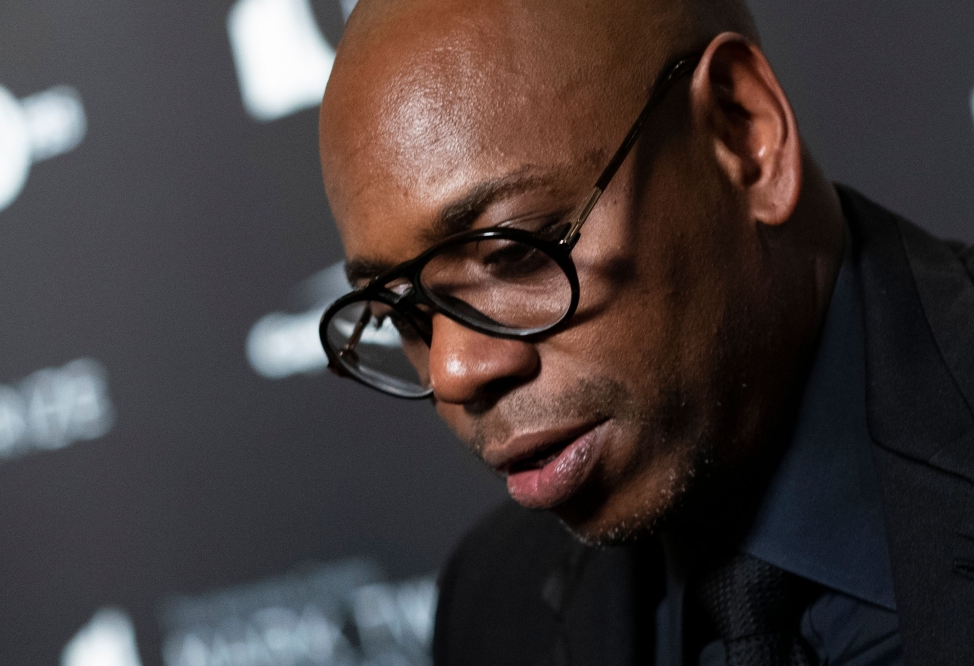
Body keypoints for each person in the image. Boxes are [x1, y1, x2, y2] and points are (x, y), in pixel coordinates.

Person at [316, 0, 974, 663]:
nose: (452, 372)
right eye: (398, 311)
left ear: (743, 132)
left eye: (514, 254)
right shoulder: (494, 607)